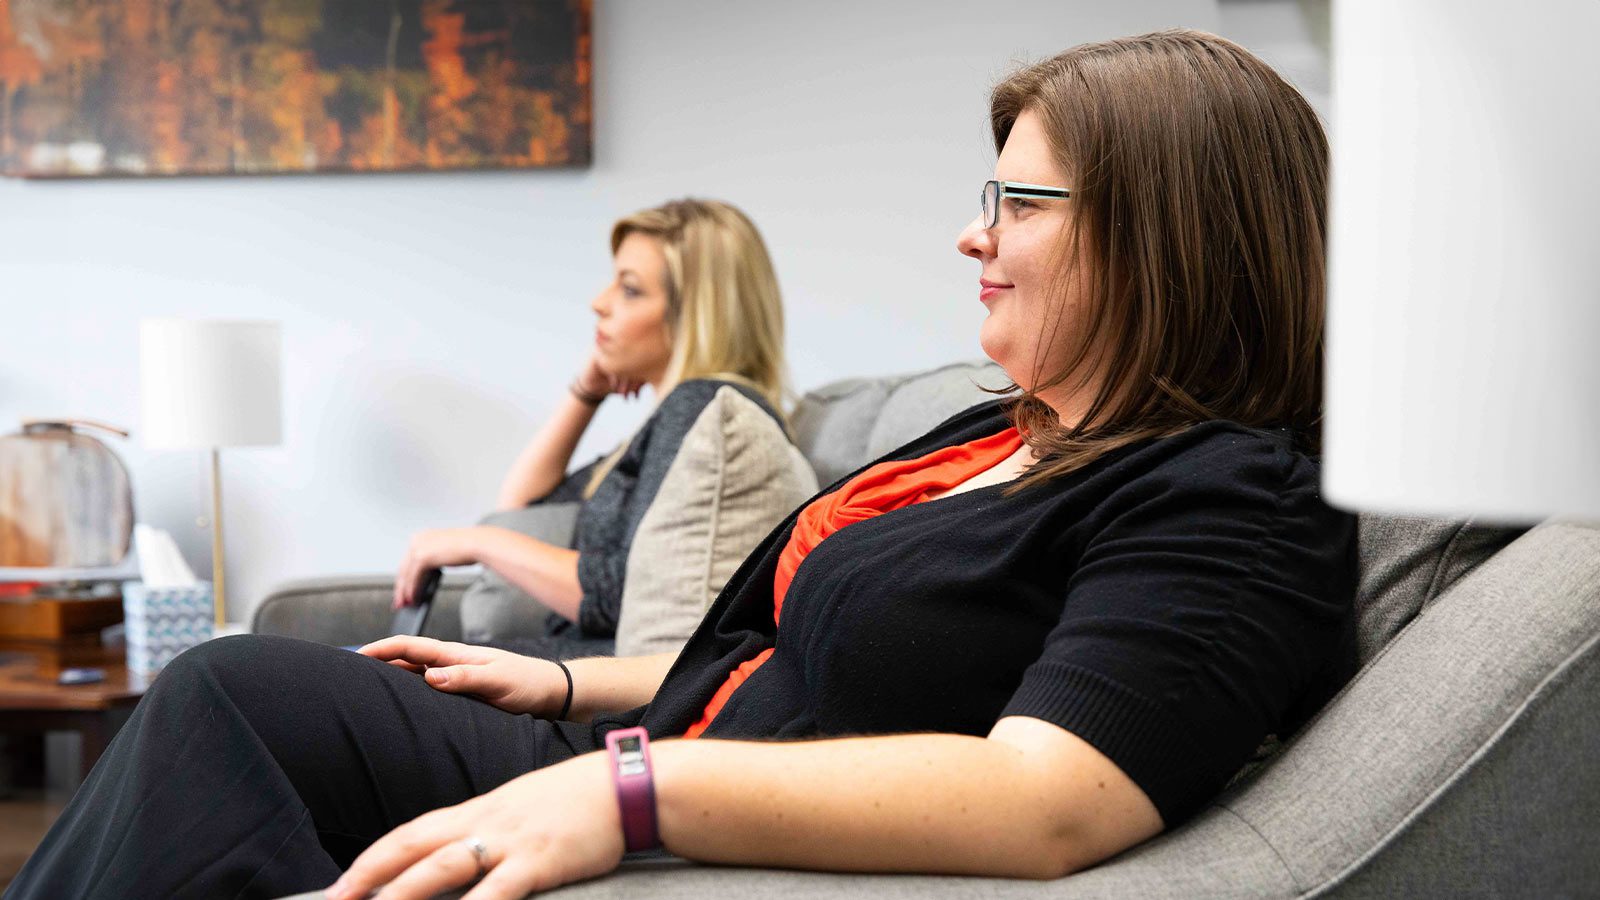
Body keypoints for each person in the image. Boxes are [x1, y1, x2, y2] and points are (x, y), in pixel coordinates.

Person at [6, 29, 1356, 900]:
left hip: (679, 791)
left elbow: (1049, 795)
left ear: (1167, 238)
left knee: (213, 726)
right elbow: (803, 647)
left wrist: (629, 789)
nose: (967, 234)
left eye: (1014, 201)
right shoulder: (1004, 432)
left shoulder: (1226, 501)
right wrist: (563, 678)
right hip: (649, 733)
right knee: (225, 688)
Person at [391, 198, 811, 660]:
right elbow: (523, 513)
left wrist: (478, 542)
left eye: (629, 290)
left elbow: (620, 597)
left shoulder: (701, 407)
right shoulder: (680, 418)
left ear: (692, 316)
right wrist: (585, 394)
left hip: (581, 679)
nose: (599, 303)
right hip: (563, 662)